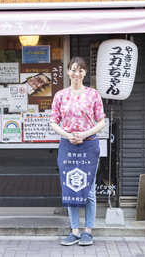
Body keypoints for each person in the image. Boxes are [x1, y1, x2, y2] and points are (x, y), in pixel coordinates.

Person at [50, 56, 106, 246]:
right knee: (70, 188)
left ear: (85, 73)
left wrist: (84, 134)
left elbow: (101, 121)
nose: (76, 73)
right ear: (68, 71)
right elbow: (53, 121)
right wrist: (68, 135)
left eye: (80, 70)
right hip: (67, 145)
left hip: (89, 144)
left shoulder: (93, 95)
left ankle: (88, 231)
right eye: (73, 69)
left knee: (89, 189)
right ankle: (74, 230)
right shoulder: (60, 95)